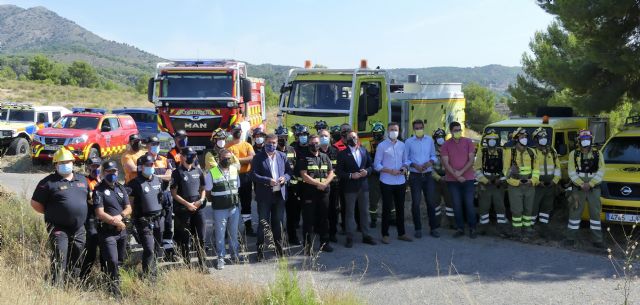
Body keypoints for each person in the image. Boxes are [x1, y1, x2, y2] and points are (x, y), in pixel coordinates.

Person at [31, 147, 90, 285]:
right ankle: (57, 287)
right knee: (60, 256)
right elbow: (35, 204)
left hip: (79, 227)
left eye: (68, 162)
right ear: (55, 165)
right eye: (61, 163)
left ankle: (72, 283)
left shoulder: (82, 180)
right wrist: (52, 213)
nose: (65, 165)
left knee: (78, 254)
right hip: (58, 227)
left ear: (73, 162)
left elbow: (88, 199)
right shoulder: (48, 183)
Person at [93, 160, 131, 298]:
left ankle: (112, 283)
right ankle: (115, 293)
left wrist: (120, 217)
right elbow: (100, 213)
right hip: (107, 232)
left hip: (121, 231)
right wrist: (115, 222)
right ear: (103, 173)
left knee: (119, 261)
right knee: (112, 261)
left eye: (114, 171)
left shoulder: (120, 188)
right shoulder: (98, 190)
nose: (112, 174)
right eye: (109, 171)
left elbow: (129, 208)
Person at [251, 134, 292, 260]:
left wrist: (284, 178)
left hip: (279, 195)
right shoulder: (258, 157)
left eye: (274, 143)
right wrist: (267, 180)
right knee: (263, 224)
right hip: (264, 197)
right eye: (269, 142)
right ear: (265, 142)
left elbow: (289, 172)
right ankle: (260, 251)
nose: (272, 145)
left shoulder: (282, 156)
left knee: (278, 223)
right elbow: (253, 175)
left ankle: (279, 248)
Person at [336, 130, 377, 247]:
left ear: (357, 138)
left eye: (354, 137)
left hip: (363, 187)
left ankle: (366, 235)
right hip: (350, 188)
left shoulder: (364, 151)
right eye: (349, 138)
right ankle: (350, 237)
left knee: (364, 212)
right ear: (346, 140)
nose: (352, 139)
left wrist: (367, 171)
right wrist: (350, 175)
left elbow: (371, 165)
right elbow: (339, 171)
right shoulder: (342, 154)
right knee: (350, 213)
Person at [565, 130, 605, 248]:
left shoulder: (598, 153)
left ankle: (597, 240)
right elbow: (571, 171)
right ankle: (570, 238)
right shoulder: (574, 154)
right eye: (583, 139)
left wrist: (591, 184)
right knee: (574, 212)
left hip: (594, 189)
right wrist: (581, 184)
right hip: (578, 189)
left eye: (587, 138)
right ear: (579, 141)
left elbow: (601, 171)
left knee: (595, 214)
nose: (585, 141)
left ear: (591, 140)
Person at [128, 153, 165, 279]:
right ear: (141, 167)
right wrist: (130, 220)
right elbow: (130, 204)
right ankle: (148, 276)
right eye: (147, 165)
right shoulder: (134, 183)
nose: (150, 166)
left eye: (152, 164)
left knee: (157, 248)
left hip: (158, 219)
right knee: (149, 248)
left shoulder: (158, 180)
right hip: (143, 221)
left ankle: (153, 272)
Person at [374, 122, 412, 244]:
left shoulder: (402, 145)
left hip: (400, 181)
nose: (393, 132)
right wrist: (390, 171)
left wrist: (404, 168)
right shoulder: (382, 146)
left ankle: (402, 233)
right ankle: (385, 234)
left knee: (400, 208)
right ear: (387, 131)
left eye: (395, 129)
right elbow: (377, 165)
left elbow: (407, 160)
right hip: (386, 181)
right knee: (386, 208)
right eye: (391, 129)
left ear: (399, 131)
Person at [170, 147, 207, 270]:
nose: (192, 157)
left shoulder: (199, 171)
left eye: (194, 155)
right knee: (185, 239)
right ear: (183, 156)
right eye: (189, 155)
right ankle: (188, 265)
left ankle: (203, 264)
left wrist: (201, 200)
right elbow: (174, 193)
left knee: (200, 237)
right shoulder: (177, 172)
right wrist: (187, 204)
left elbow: (203, 189)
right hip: (184, 209)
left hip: (198, 207)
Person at [299, 134, 335, 254]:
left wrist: (325, 183)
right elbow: (304, 175)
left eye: (316, 143)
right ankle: (307, 246)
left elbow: (331, 172)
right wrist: (318, 184)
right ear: (309, 144)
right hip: (309, 193)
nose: (315, 145)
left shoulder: (325, 157)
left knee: (324, 219)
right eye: (312, 143)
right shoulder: (304, 157)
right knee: (308, 220)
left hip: (324, 193)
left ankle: (325, 244)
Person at [441, 122, 477, 238]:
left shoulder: (468, 142)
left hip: (468, 179)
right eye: (455, 130)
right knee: (456, 205)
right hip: (452, 181)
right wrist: (457, 176)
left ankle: (472, 228)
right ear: (451, 131)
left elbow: (471, 160)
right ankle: (460, 228)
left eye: (459, 129)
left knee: (469, 204)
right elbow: (446, 163)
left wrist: (460, 173)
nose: (458, 132)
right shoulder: (446, 145)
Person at [404, 119, 440, 238]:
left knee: (431, 202)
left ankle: (433, 228)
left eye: (421, 127)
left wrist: (430, 162)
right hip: (415, 176)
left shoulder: (429, 140)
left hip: (428, 175)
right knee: (416, 203)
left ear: (423, 128)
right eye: (416, 128)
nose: (419, 130)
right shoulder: (408, 142)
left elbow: (434, 156)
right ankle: (418, 228)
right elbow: (406, 159)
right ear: (413, 129)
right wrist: (414, 165)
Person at [504, 128, 539, 240]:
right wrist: (516, 182)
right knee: (517, 210)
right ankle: (517, 230)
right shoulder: (510, 152)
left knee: (528, 209)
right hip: (515, 186)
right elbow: (506, 172)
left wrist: (533, 181)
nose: (524, 139)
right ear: (516, 139)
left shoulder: (532, 152)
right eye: (521, 137)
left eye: (525, 137)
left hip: (529, 185)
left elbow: (536, 170)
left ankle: (527, 228)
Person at [473, 129, 508, 236]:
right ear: (486, 141)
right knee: (484, 206)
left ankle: (503, 228)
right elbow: (477, 169)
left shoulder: (503, 152)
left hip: (498, 185)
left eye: (494, 140)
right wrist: (485, 180)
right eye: (489, 140)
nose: (491, 141)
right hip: (485, 184)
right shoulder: (481, 152)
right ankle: (483, 228)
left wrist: (500, 179)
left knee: (500, 206)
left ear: (497, 141)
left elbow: (506, 169)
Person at [226, 124, 256, 237]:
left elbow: (252, 158)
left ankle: (248, 228)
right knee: (233, 204)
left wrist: (236, 160)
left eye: (239, 130)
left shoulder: (247, 145)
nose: (237, 132)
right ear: (231, 132)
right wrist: (244, 160)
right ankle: (233, 230)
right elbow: (227, 161)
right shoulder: (227, 146)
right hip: (232, 177)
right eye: (235, 130)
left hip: (246, 177)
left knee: (246, 203)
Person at [146, 136, 175, 248]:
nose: (155, 147)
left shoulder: (164, 159)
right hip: (151, 196)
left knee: (168, 222)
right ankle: (155, 247)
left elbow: (169, 176)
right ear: (147, 146)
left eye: (157, 144)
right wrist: (162, 176)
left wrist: (154, 176)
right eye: (153, 144)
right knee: (154, 223)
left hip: (165, 194)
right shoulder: (143, 160)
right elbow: (145, 177)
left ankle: (168, 248)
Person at [532, 127, 561, 238]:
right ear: (536, 139)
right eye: (541, 137)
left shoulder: (552, 151)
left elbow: (557, 168)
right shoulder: (532, 152)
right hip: (537, 186)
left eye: (545, 136)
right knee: (533, 207)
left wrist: (555, 181)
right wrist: (537, 182)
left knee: (547, 207)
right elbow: (530, 170)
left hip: (550, 186)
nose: (543, 139)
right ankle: (531, 227)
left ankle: (543, 227)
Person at [275, 126, 301, 245]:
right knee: (278, 215)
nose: (283, 140)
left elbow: (295, 167)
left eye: (284, 137)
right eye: (280, 138)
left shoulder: (292, 150)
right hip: (278, 188)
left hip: (291, 187)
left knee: (292, 214)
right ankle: (278, 239)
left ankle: (292, 237)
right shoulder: (273, 151)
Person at [80, 156, 103, 279]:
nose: (95, 168)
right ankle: (83, 277)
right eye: (93, 166)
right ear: (88, 167)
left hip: (104, 220)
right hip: (91, 219)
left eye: (97, 166)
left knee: (105, 250)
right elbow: (91, 200)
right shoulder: (85, 181)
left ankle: (105, 277)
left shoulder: (104, 181)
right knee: (91, 250)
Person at [318, 128, 341, 243]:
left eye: (326, 136)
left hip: (334, 185)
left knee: (333, 210)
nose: (324, 138)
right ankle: (322, 232)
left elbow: (339, 168)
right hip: (320, 186)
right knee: (321, 211)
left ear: (330, 137)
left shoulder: (335, 151)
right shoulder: (315, 151)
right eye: (321, 136)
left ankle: (333, 233)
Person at [432, 128, 454, 228]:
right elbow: (429, 167)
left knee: (450, 202)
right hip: (435, 180)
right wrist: (438, 178)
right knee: (435, 202)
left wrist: (447, 176)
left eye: (442, 137)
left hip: (448, 179)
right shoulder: (431, 150)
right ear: (435, 139)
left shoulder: (449, 149)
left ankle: (452, 223)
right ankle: (436, 222)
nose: (440, 139)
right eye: (438, 137)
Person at [368, 122, 385, 228]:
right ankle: (373, 219)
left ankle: (392, 218)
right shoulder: (369, 144)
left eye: (379, 133)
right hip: (374, 175)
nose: (377, 135)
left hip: (386, 173)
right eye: (375, 133)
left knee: (389, 198)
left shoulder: (387, 144)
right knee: (373, 198)